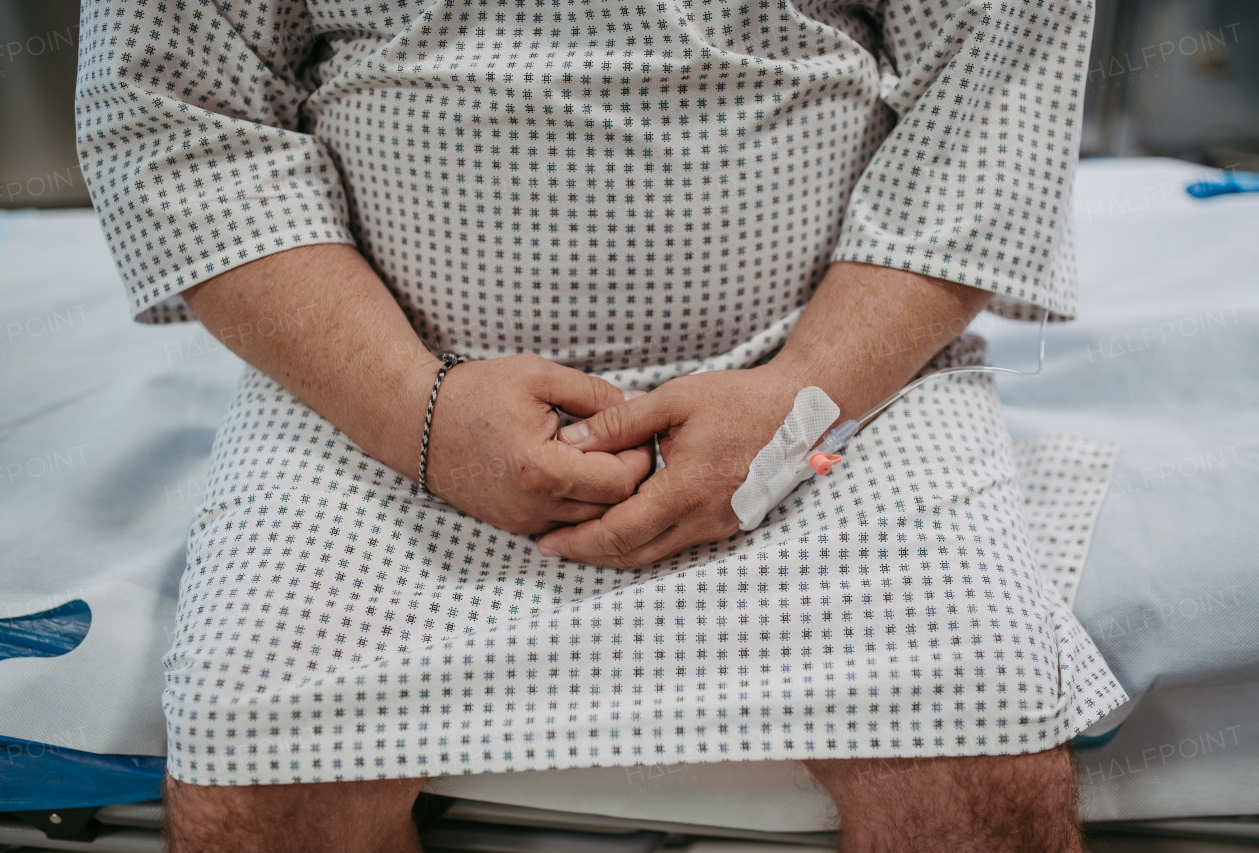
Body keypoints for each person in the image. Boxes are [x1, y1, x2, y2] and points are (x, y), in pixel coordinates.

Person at [74, 0, 1126, 848]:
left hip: (831, 384)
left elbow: (985, 101)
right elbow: (181, 118)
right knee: (261, 766)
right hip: (380, 391)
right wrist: (416, 413)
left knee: (974, 759)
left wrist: (801, 389)